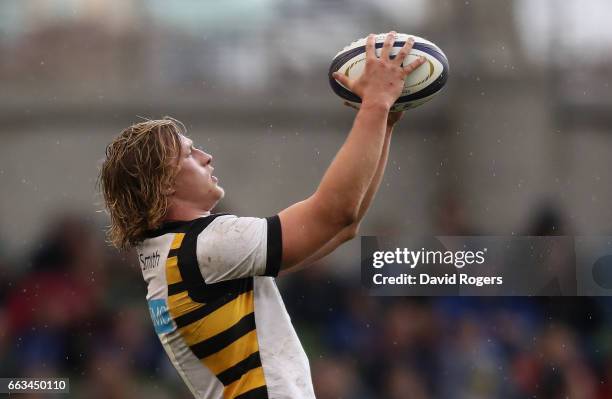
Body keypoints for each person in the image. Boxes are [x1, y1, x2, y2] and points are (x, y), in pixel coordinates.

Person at [99, 32, 425, 399]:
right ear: (161, 185)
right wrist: (374, 106)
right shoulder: (206, 246)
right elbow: (333, 213)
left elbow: (344, 227)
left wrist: (385, 122)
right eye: (189, 154)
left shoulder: (174, 253)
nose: (207, 157)